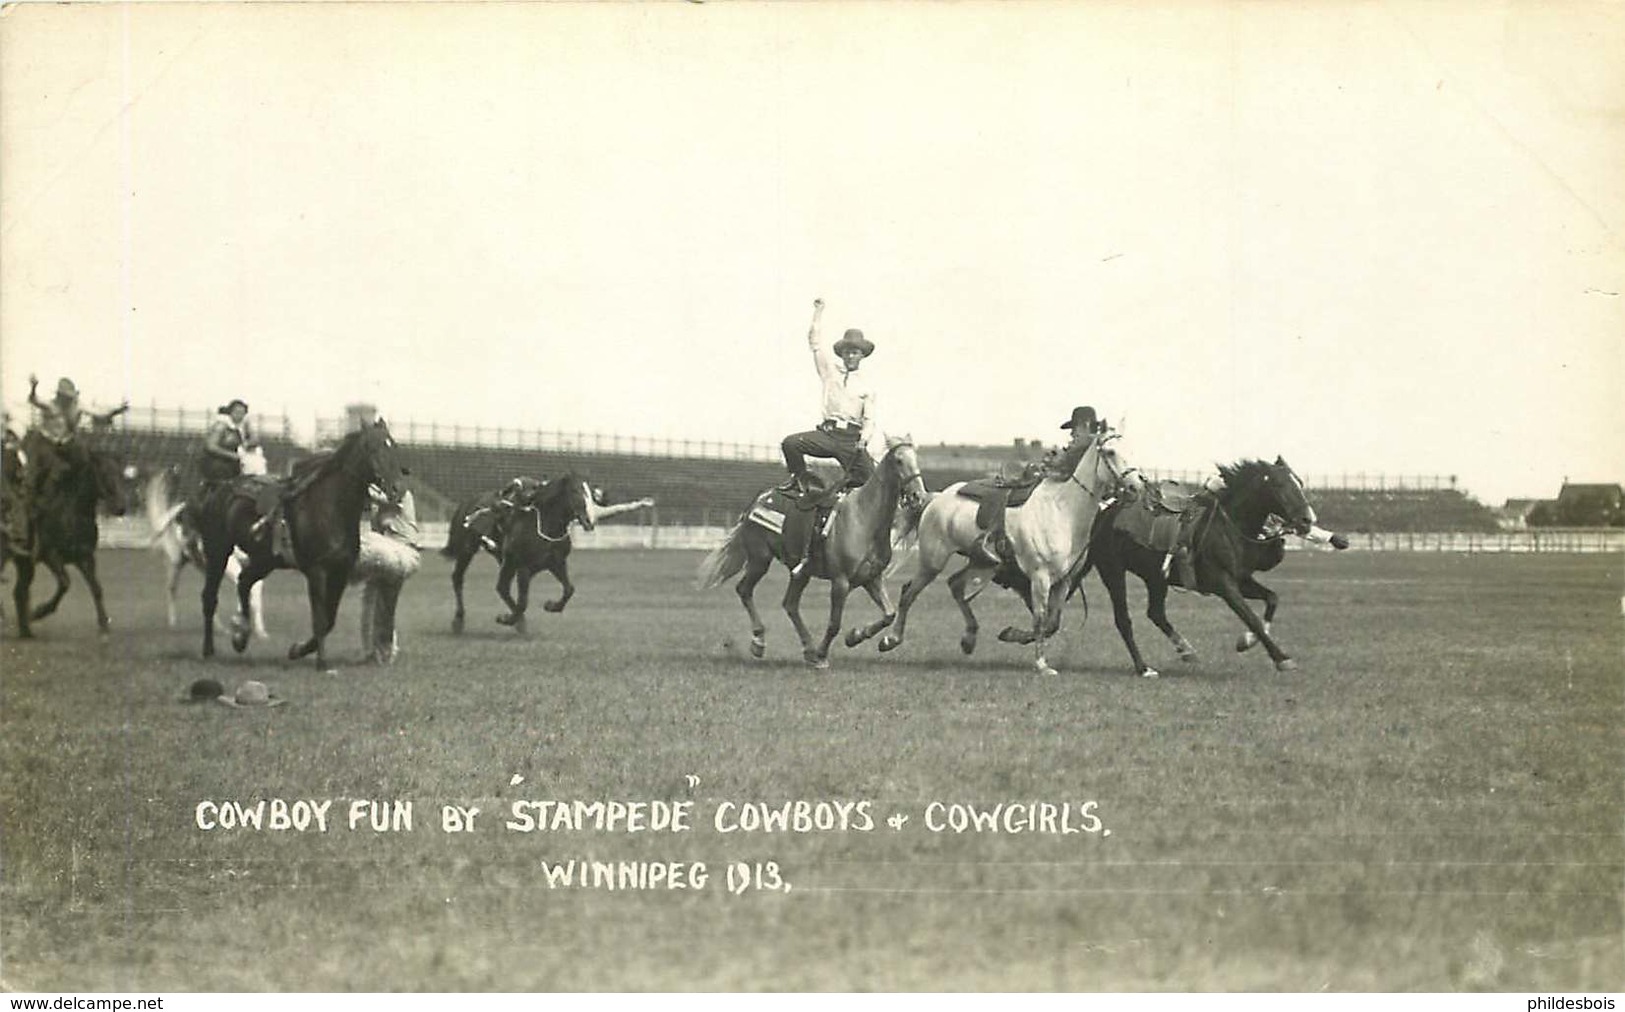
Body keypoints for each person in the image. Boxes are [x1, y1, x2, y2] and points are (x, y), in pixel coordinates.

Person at [15, 376, 129, 554]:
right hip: (46, 446)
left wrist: (117, 410)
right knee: (38, 476)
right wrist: (33, 387)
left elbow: (99, 413)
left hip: (67, 446)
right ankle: (29, 513)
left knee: (87, 462)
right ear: (60, 396)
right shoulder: (50, 406)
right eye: (66, 396)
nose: (68, 400)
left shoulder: (78, 406)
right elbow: (34, 400)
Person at [780, 298, 880, 495]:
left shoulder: (867, 385)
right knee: (790, 444)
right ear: (841, 354)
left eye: (855, 352)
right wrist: (818, 313)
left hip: (851, 440)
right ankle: (800, 480)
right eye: (847, 352)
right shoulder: (829, 372)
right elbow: (815, 344)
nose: (850, 356)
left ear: (861, 355)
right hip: (827, 434)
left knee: (872, 483)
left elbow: (869, 419)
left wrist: (864, 440)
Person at [198, 399, 261, 483]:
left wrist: (248, 443)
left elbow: (255, 439)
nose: (240, 415)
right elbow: (210, 446)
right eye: (237, 412)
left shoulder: (243, 425)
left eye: (242, 413)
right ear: (230, 412)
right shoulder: (221, 425)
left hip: (234, 460)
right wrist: (231, 455)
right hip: (217, 461)